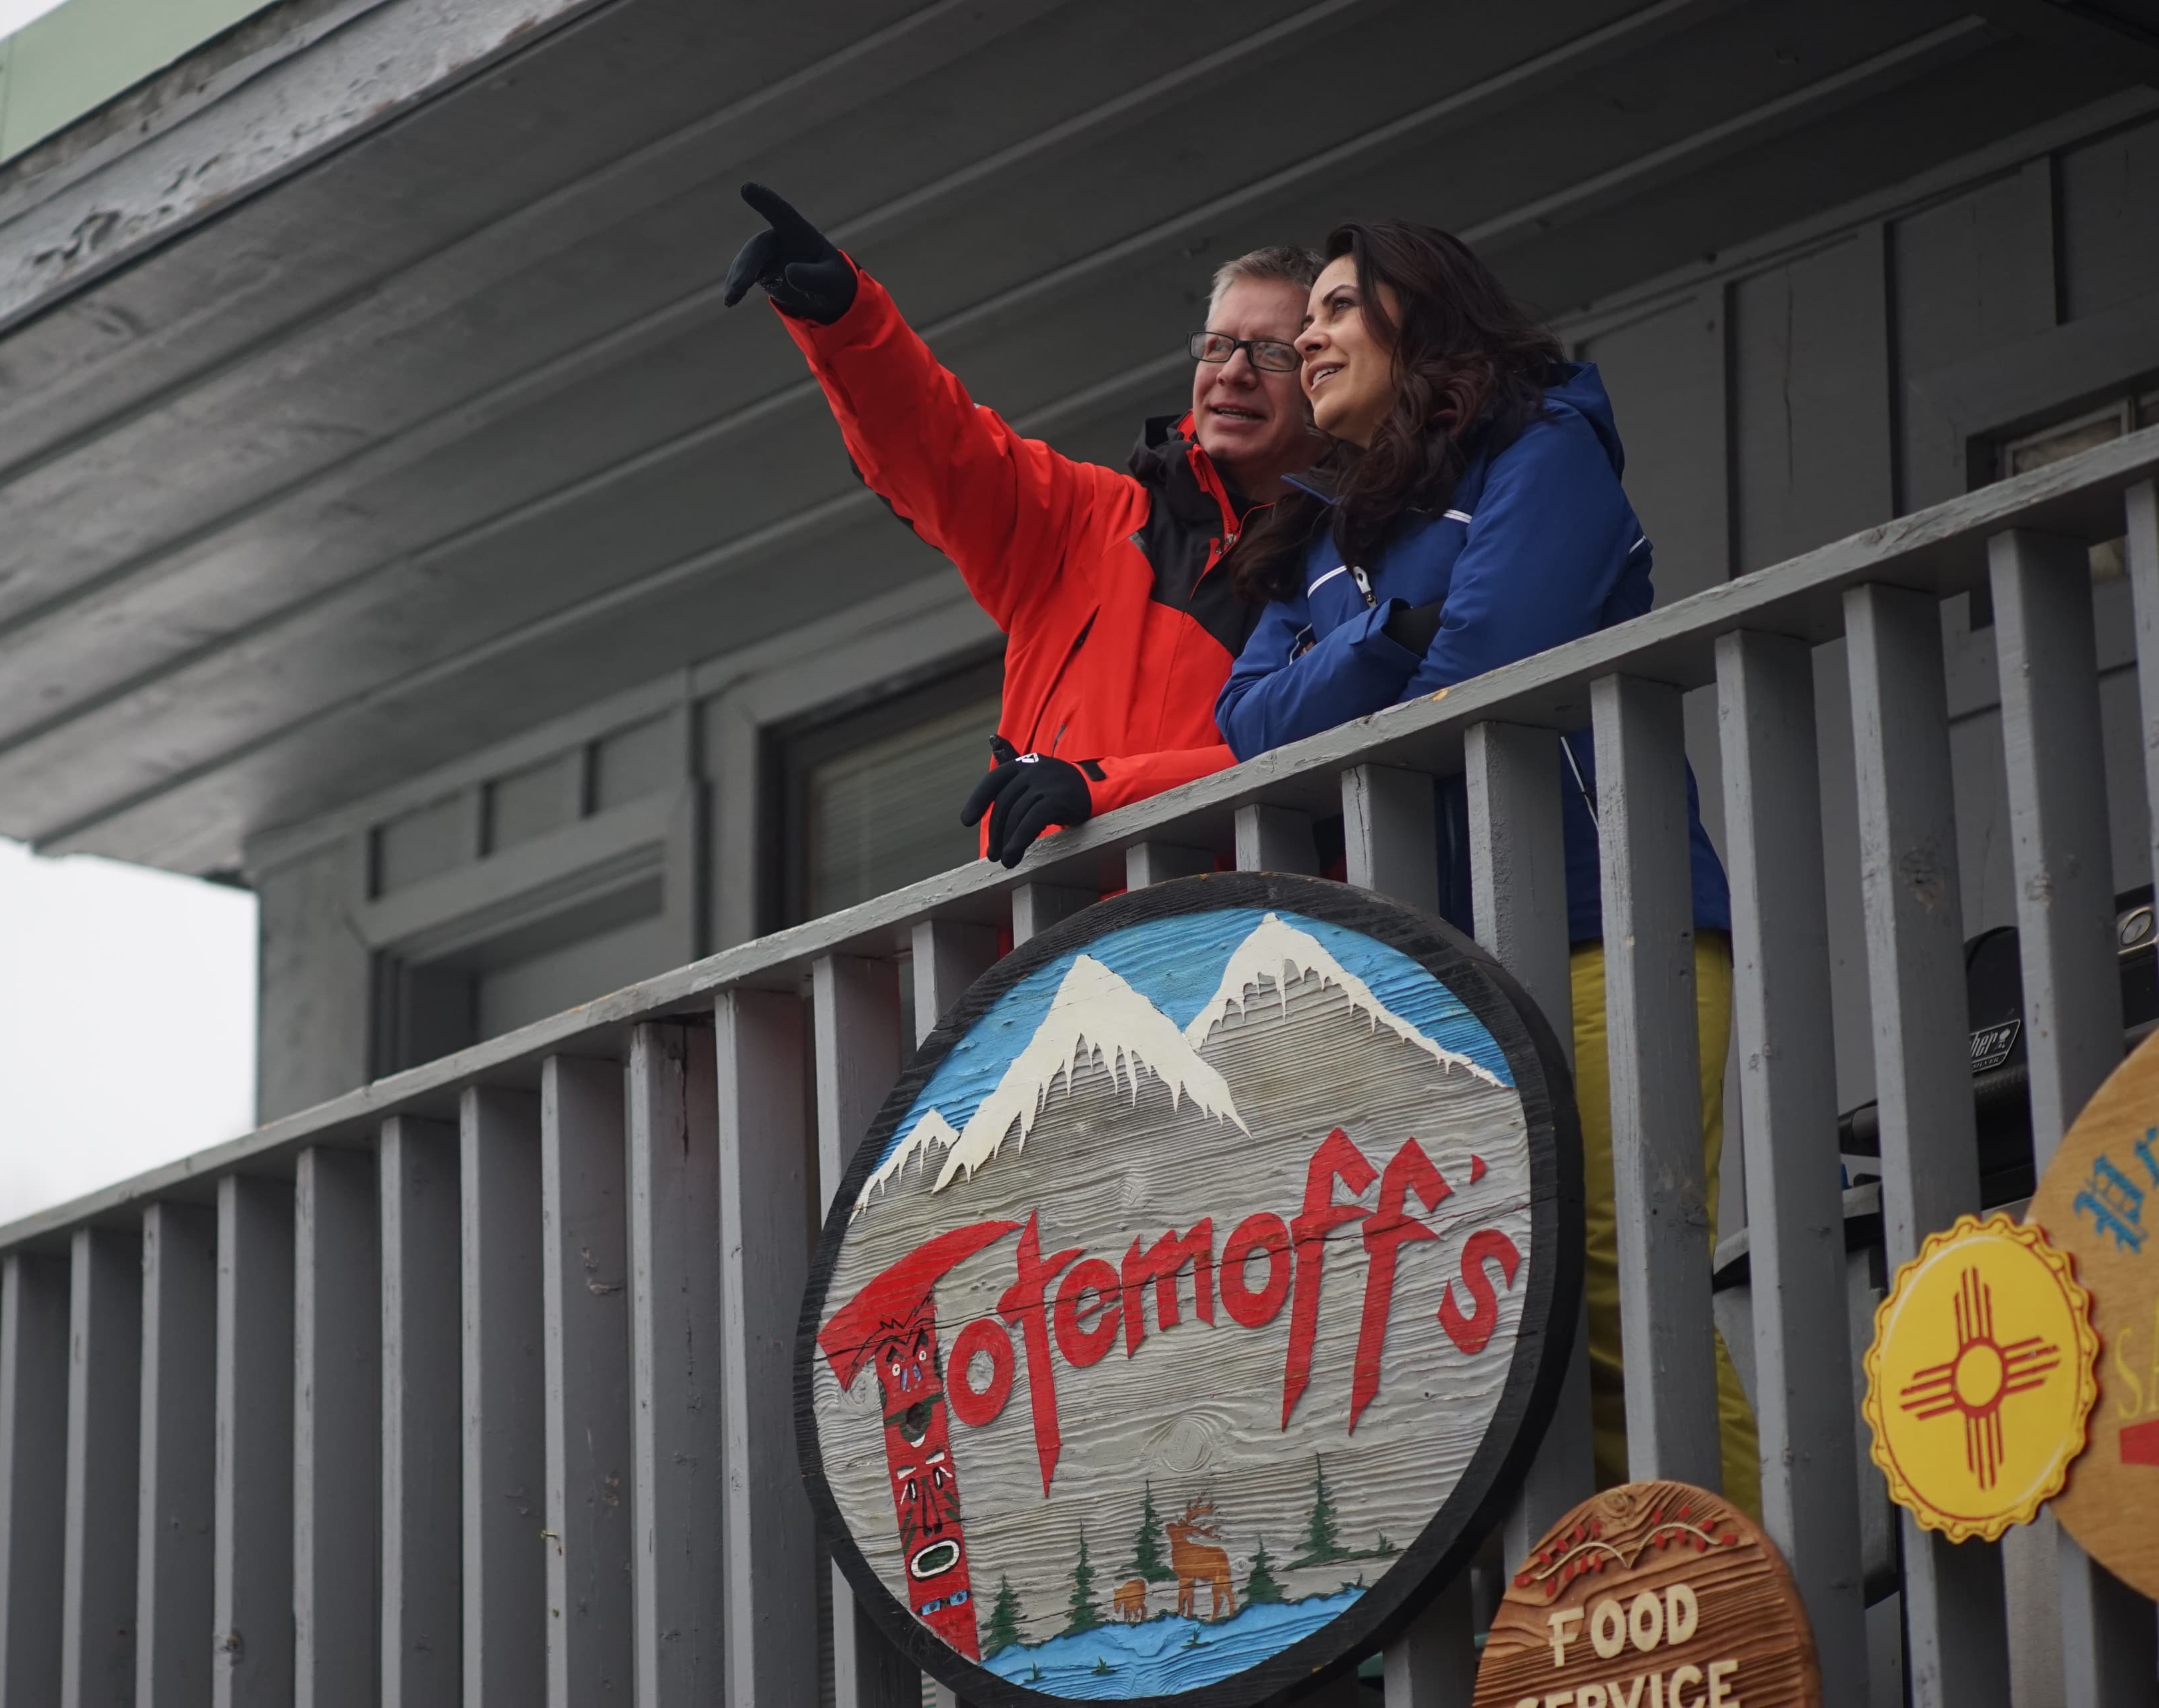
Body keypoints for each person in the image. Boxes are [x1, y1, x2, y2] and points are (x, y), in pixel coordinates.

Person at [1213, 220, 1759, 1515]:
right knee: (1495, 1337)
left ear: (1429, 321)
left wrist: (1382, 658)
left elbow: (1489, 661)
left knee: (1623, 1302)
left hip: (1603, 926)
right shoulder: (1317, 538)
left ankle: (1765, 1622)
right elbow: (1250, 728)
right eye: (1311, 316)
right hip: (1431, 986)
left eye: (1342, 306)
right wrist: (1393, 634)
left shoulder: (1545, 444)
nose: (1309, 335)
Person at [723, 182, 1322, 865]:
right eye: (1217, 346)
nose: (1234, 373)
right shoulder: (1084, 522)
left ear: (1324, 374)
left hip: (1257, 949)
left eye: (1272, 353)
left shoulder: (1349, 560)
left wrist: (1104, 788)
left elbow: (1315, 758)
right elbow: (939, 446)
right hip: (1052, 948)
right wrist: (842, 316)